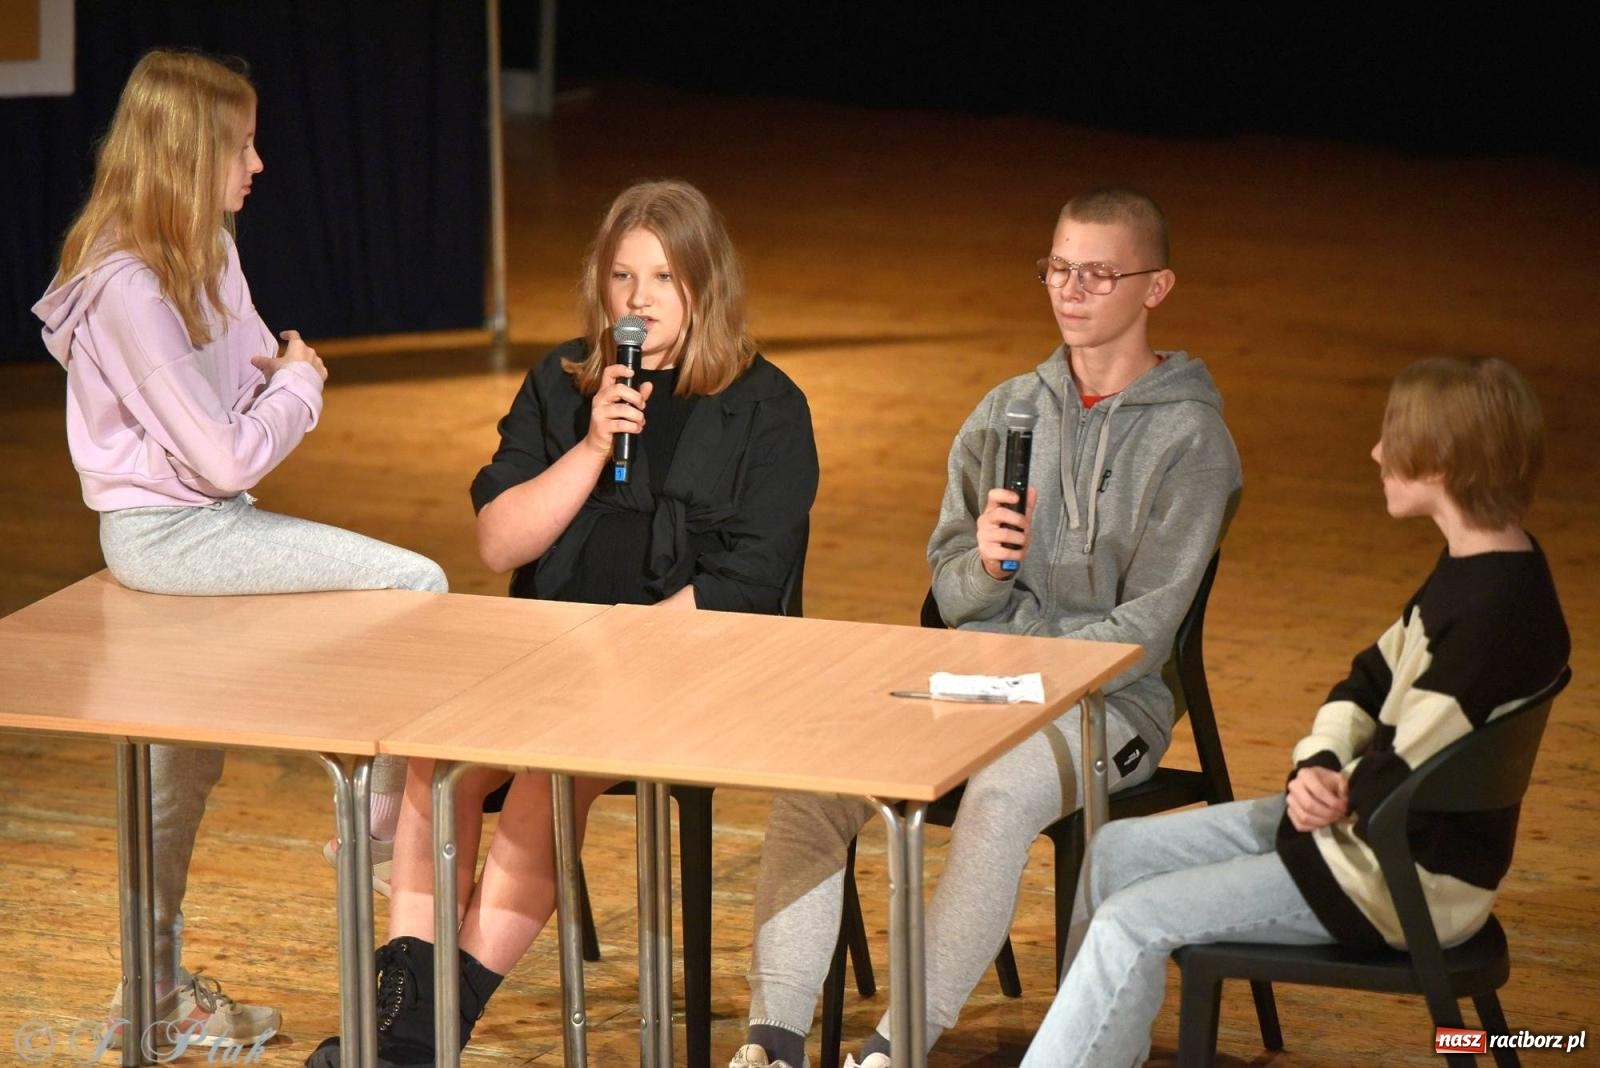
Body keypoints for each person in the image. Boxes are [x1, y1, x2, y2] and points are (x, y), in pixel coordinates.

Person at [307, 179, 819, 1068]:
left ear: (706, 283)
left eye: (663, 278)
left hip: (690, 662)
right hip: (549, 660)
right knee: (439, 760)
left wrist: (623, 648)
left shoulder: (766, 408)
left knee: (547, 776)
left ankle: (410, 1040)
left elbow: (750, 580)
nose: (639, 301)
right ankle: (406, 1030)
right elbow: (500, 541)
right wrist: (588, 447)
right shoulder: (565, 382)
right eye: (623, 277)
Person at [730, 188, 1242, 1068]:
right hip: (975, 678)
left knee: (1002, 797)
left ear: (1155, 287)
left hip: (1106, 705)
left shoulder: (1193, 440)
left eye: (1096, 273)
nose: (1070, 290)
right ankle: (770, 1047)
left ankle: (897, 1049)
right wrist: (989, 567)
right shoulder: (1008, 409)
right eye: (1056, 267)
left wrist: (1033, 668)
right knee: (816, 781)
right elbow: (950, 591)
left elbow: (1148, 631)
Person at [31, 49, 448, 1049]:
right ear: (184, 153)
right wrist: (299, 388)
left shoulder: (209, 245)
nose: (258, 163)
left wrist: (275, 389)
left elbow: (247, 382)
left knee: (185, 767)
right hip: (171, 538)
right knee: (416, 581)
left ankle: (154, 993)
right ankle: (381, 826)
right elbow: (226, 450)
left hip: (217, 524)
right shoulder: (125, 284)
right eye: (239, 145)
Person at [1021, 354, 1570, 1068]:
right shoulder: (1481, 567)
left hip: (1403, 879)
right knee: (1114, 853)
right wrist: (1318, 765)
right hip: (1366, 835)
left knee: (1131, 918)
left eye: (1393, 437)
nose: (1376, 451)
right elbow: (1367, 683)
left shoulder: (1498, 614)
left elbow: (1400, 779)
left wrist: (1335, 792)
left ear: (1441, 461)